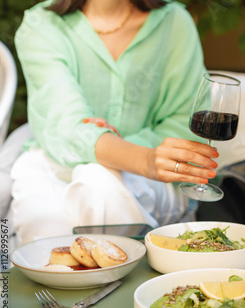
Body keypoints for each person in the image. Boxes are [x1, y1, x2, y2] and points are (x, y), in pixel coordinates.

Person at [11, 0, 217, 245]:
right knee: (45, 244)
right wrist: (140, 157)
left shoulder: (174, 22)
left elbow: (186, 123)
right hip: (56, 165)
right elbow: (65, 124)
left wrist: (115, 148)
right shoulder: (41, 24)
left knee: (99, 183)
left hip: (155, 177)